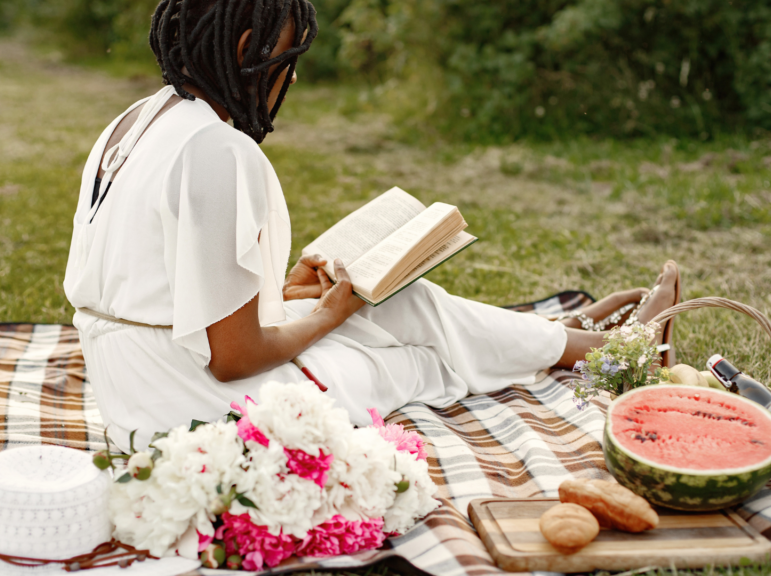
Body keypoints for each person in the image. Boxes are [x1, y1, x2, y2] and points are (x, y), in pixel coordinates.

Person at [63, 0, 681, 450]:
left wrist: (284, 289)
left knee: (397, 307)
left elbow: (158, 289)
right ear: (248, 46)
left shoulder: (139, 120)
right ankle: (595, 350)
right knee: (416, 361)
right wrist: (332, 313)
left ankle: (565, 341)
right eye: (288, 56)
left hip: (133, 388)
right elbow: (234, 357)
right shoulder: (219, 152)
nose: (294, 75)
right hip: (194, 408)